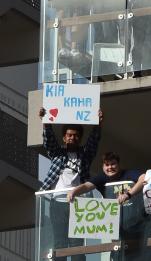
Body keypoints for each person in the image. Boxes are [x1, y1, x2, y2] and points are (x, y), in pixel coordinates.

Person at [38, 107, 103, 260]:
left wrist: (99, 124)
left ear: (79, 138)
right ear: (64, 138)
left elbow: (94, 141)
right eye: (69, 135)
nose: (72, 138)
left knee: (77, 242)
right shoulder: (57, 153)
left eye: (75, 136)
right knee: (60, 241)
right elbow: (49, 140)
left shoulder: (85, 155)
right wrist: (45, 121)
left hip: (79, 203)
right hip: (58, 202)